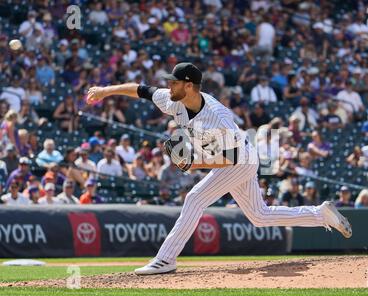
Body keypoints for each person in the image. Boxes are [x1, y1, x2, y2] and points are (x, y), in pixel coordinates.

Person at [86, 62, 352, 275]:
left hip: (240, 160)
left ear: (189, 86)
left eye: (174, 82)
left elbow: (230, 159)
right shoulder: (172, 100)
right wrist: (105, 90)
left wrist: (193, 163)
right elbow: (141, 90)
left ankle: (165, 260)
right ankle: (321, 214)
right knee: (259, 216)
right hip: (232, 157)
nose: (169, 86)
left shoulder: (218, 117)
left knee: (194, 198)